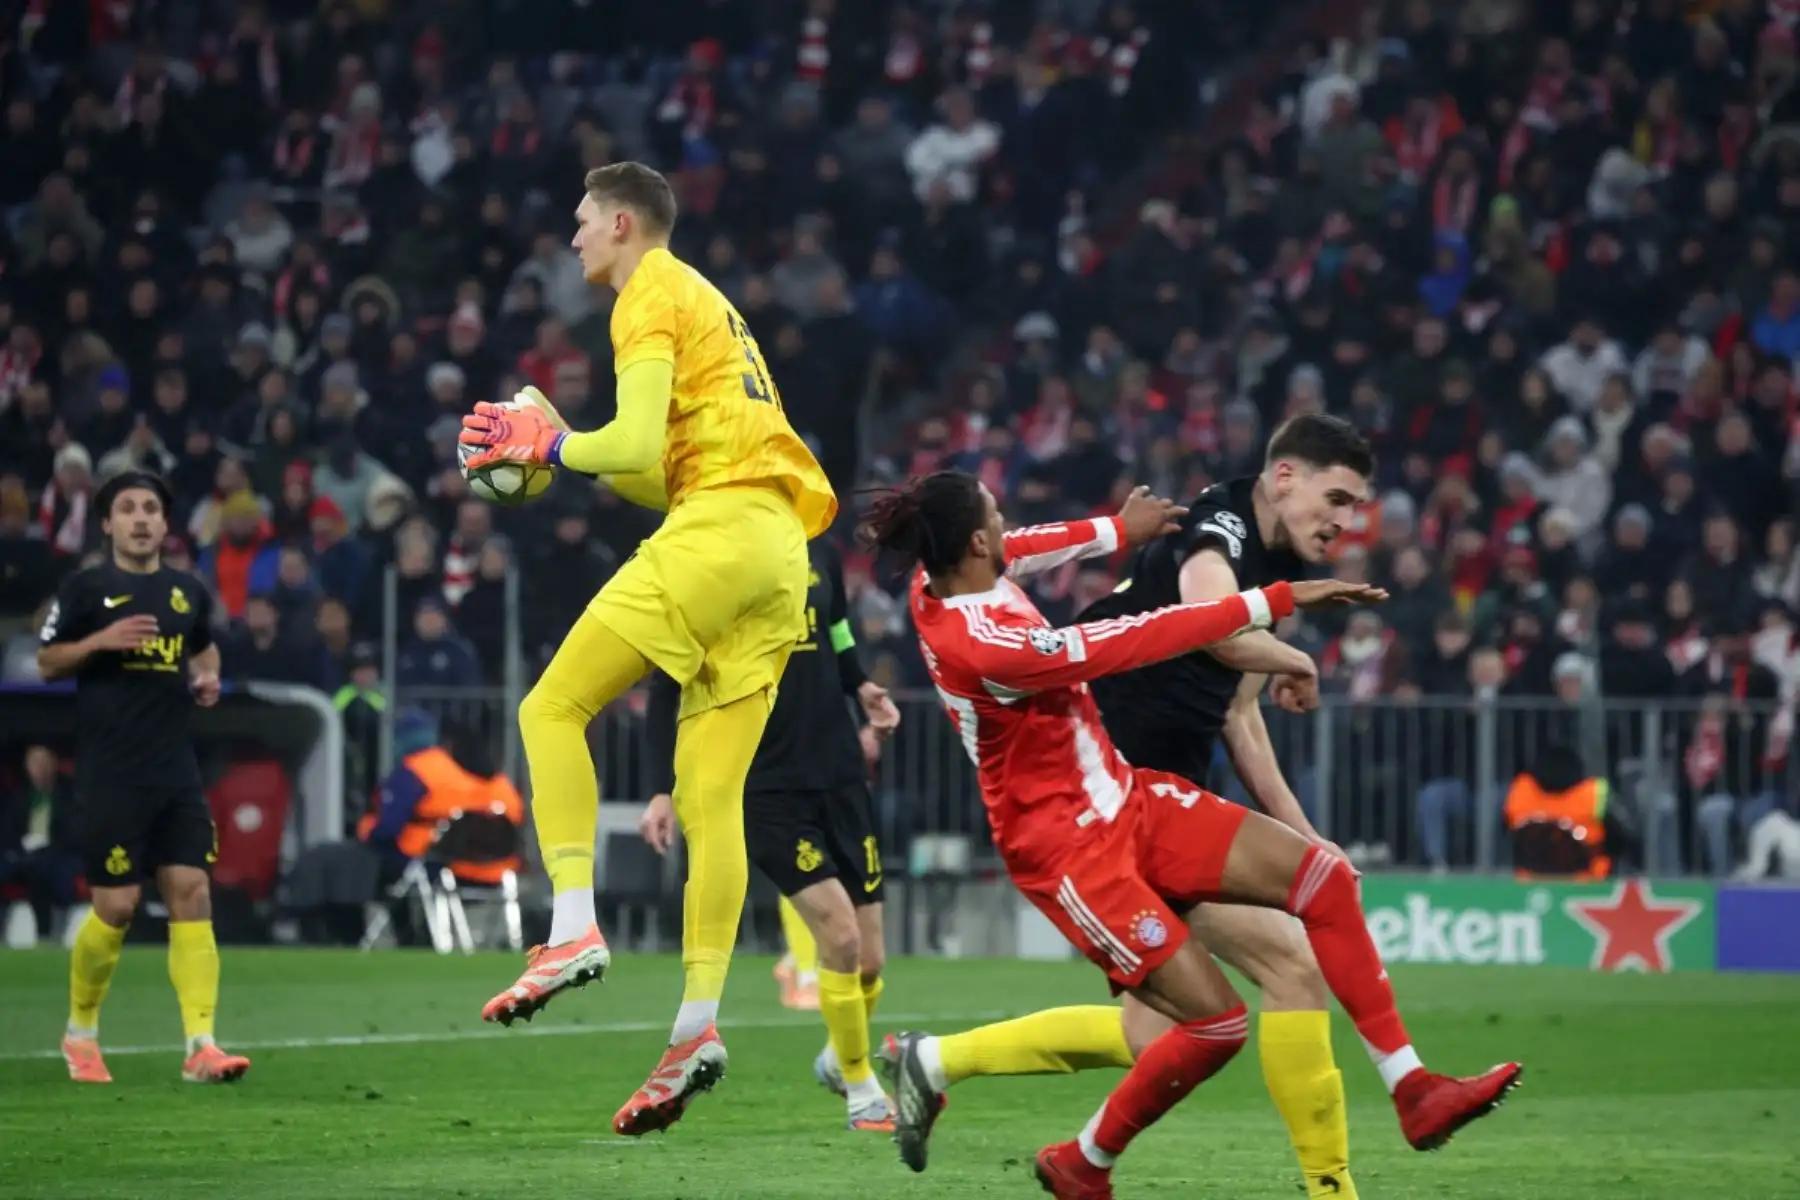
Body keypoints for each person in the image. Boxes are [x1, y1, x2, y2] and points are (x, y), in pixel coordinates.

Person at [859, 470, 1520, 1199]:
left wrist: (1116, 530)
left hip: (1130, 798)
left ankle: (1414, 1091)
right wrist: (1271, 601)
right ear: (976, 541)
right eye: (996, 512)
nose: (1007, 523)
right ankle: (1083, 1160)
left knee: (1320, 883)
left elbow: (1028, 543)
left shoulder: (944, 574)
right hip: (1071, 856)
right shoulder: (990, 648)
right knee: (1212, 1027)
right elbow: (1132, 636)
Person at [457, 161, 837, 1136]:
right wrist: (565, 438)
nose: (574, 239)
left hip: (718, 538)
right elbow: (651, 468)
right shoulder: (704, 303)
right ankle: (696, 1027)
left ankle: (570, 924)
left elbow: (627, 457)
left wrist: (542, 447)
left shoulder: (649, 292)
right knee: (712, 806)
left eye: (583, 222)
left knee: (551, 708)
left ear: (623, 223)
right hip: (777, 553)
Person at [640, 537, 901, 1131]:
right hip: (765, 782)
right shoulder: (713, 557)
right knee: (838, 937)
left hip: (838, 772)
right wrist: (662, 786)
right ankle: (862, 1087)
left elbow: (834, 627)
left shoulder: (819, 550)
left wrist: (860, 685)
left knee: (870, 957)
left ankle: (841, 1057)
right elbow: (665, 683)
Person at [35, 469, 250, 1085]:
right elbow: (47, 660)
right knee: (118, 906)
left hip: (174, 769)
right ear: (107, 524)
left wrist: (206, 677)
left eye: (150, 508)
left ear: (163, 522)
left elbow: (203, 646)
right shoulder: (86, 589)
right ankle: (80, 1033)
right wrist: (100, 641)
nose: (140, 518)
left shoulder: (185, 592)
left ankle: (201, 1045)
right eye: (127, 509)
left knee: (192, 892)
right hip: (110, 771)